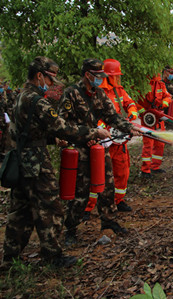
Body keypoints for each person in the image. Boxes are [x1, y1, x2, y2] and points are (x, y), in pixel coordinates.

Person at [2, 56, 111, 268]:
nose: (52, 84)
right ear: (39, 75)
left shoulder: (19, 96)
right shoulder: (37, 101)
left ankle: (10, 258)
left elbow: (26, 131)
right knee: (51, 208)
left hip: (20, 159)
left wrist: (52, 139)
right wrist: (93, 132)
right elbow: (63, 126)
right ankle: (52, 257)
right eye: (50, 79)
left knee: (20, 211)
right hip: (36, 164)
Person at [58, 58, 141, 246]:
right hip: (79, 149)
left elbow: (111, 116)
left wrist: (129, 128)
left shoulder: (100, 93)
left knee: (107, 185)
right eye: (97, 76)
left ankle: (109, 221)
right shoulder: (71, 94)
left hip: (98, 148)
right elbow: (62, 125)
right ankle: (71, 229)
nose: (100, 80)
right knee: (81, 192)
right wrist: (90, 132)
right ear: (88, 75)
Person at [83, 59, 138, 219]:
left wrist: (132, 113)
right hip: (103, 142)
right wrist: (100, 129)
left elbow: (130, 103)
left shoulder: (119, 91)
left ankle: (117, 201)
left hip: (119, 141)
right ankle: (88, 207)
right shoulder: (96, 91)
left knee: (122, 172)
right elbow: (92, 115)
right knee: (97, 174)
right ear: (107, 76)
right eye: (116, 76)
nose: (118, 79)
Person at [136, 73, 172, 178]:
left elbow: (168, 96)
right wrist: (143, 112)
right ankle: (145, 170)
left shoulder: (160, 84)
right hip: (148, 119)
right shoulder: (141, 84)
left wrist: (164, 104)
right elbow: (134, 100)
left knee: (160, 143)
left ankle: (155, 167)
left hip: (159, 117)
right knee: (148, 144)